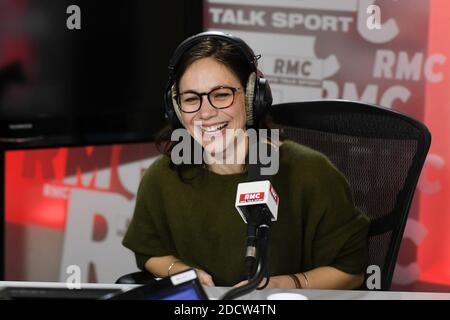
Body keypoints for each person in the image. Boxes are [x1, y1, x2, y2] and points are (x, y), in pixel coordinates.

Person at [122, 31, 370, 289]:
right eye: (191, 99)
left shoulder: (310, 172)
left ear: (253, 97)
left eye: (221, 95)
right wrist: (183, 272)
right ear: (176, 109)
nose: (206, 113)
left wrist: (289, 284)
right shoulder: (163, 176)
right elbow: (149, 251)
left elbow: (351, 270)